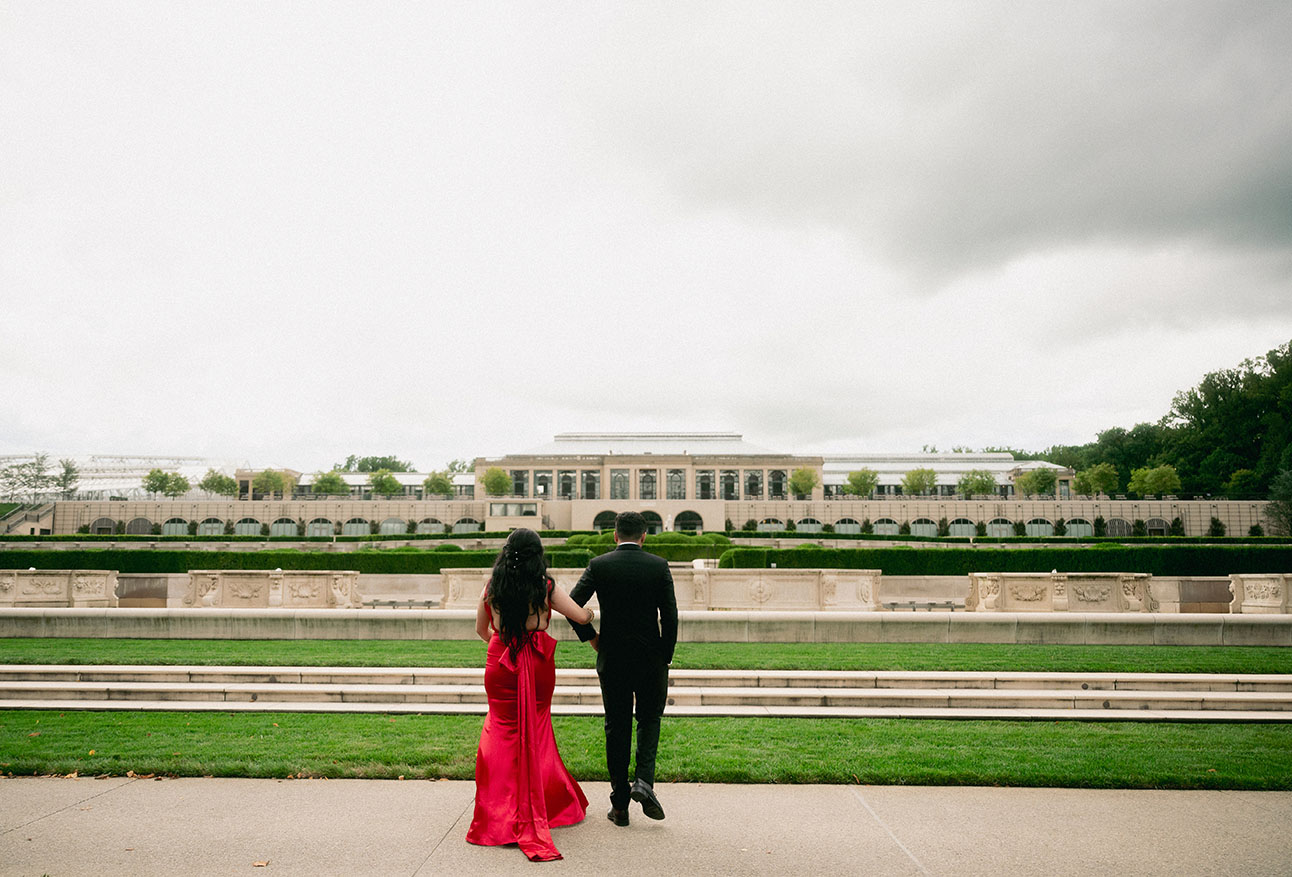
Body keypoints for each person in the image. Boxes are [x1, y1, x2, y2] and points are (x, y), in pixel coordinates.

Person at [466, 528, 591, 862]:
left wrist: (503, 646)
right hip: (536, 662)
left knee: (499, 729)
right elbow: (579, 615)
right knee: (536, 730)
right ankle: (546, 802)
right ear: (538, 554)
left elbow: (481, 629)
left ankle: (496, 812)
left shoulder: (492, 586)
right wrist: (591, 616)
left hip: (500, 659)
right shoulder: (545, 585)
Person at [568, 511, 678, 827]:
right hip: (650, 658)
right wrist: (665, 655)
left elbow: (573, 606)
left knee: (616, 725)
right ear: (644, 537)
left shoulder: (599, 565)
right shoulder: (659, 566)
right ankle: (643, 781)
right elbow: (670, 616)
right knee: (649, 718)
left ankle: (619, 806)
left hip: (612, 656)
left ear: (614, 535)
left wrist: (592, 639)